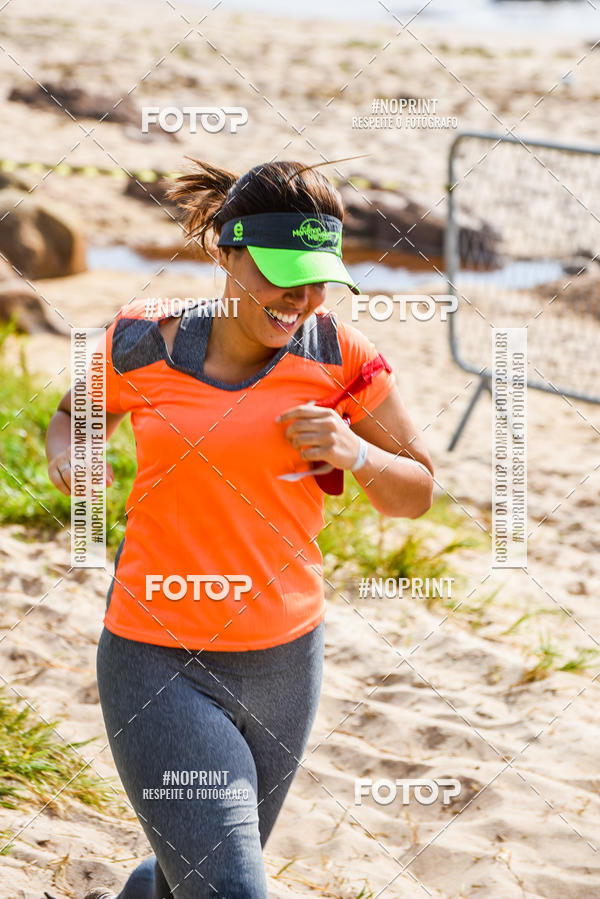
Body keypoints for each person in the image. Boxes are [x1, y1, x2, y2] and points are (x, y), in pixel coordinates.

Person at [45, 158, 434, 899]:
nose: (303, 297)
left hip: (288, 666)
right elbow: (72, 416)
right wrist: (76, 456)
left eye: (318, 276)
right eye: (282, 271)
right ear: (226, 252)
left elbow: (417, 493)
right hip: (156, 660)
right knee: (228, 886)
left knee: (186, 877)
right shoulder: (142, 344)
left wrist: (353, 452)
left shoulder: (342, 358)